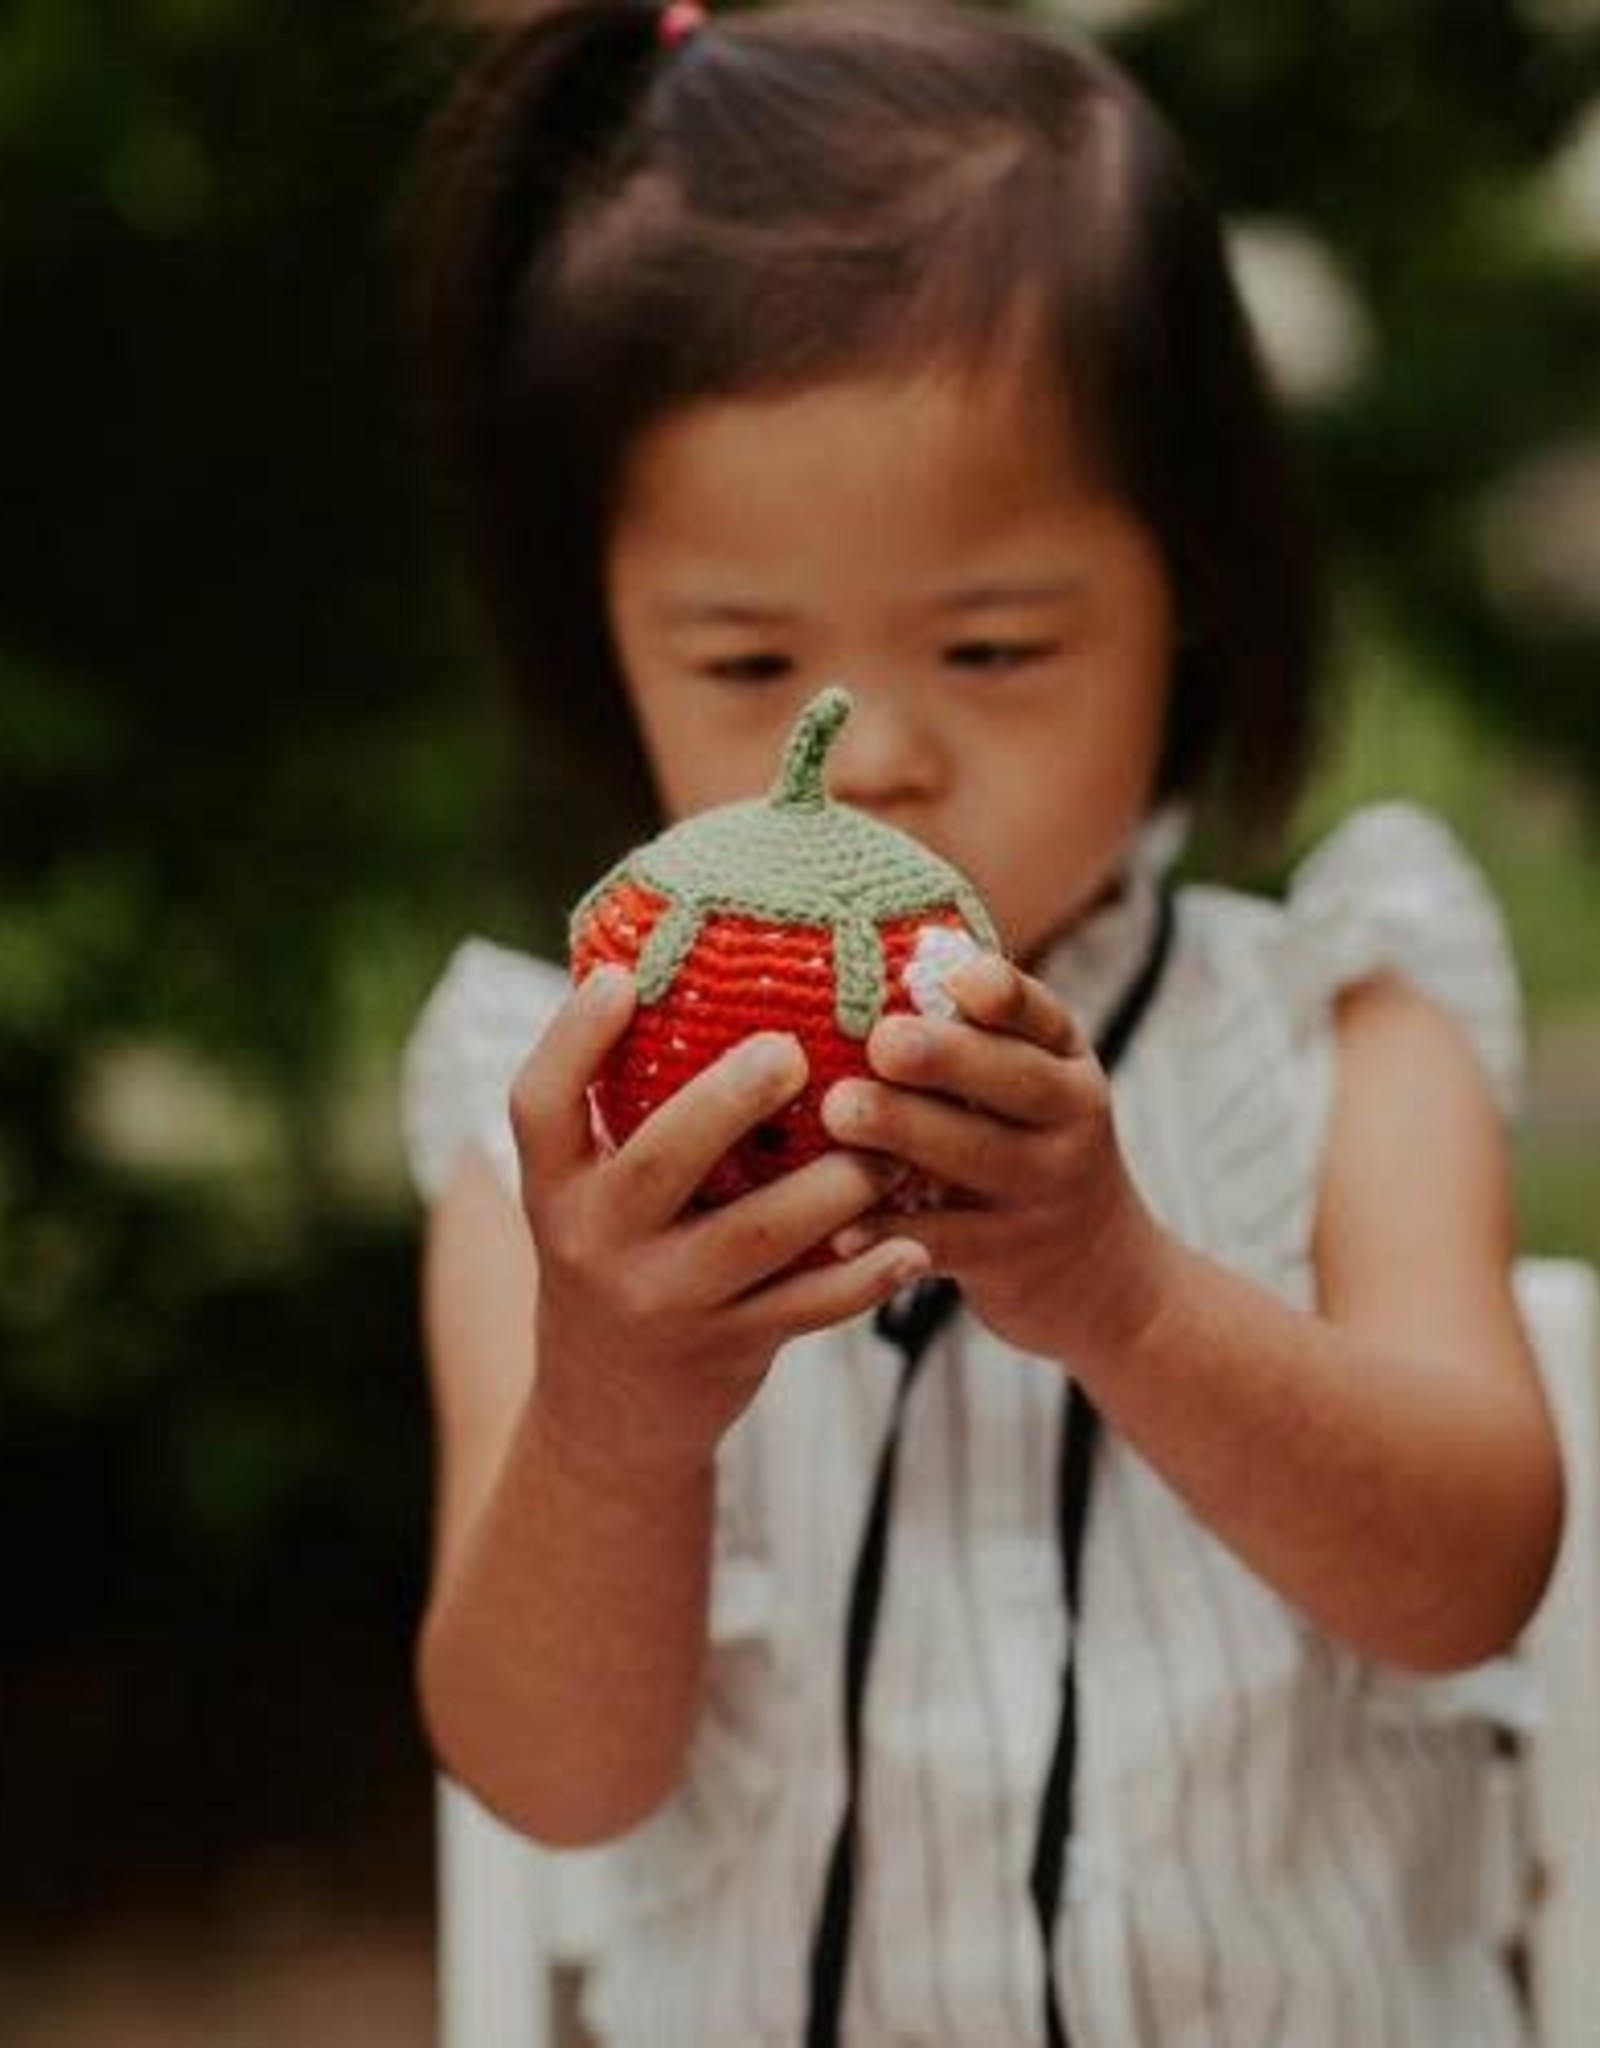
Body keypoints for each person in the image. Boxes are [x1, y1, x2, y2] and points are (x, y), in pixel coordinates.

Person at [399, 4, 1565, 2042]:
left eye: (996, 642)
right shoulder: (554, 1132)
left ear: (1184, 593)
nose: (877, 755)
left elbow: (1471, 1569)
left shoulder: (1336, 1031)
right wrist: (613, 1408)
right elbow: (544, 1771)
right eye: (745, 651)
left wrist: (1121, 1289)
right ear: (606, 639)